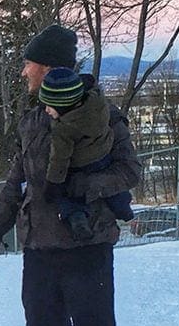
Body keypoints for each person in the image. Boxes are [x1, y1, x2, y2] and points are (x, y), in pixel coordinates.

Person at [0, 24, 142, 326]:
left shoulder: (103, 116)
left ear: (46, 68)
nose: (23, 71)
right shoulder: (31, 123)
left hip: (88, 250)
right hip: (40, 252)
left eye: (28, 64)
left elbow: (129, 171)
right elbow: (15, 185)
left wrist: (84, 188)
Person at [39, 66, 135, 241]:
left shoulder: (63, 129)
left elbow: (59, 160)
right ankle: (123, 207)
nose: (46, 110)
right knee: (113, 190)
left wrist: (53, 184)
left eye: (50, 106)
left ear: (63, 105)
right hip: (103, 156)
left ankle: (78, 221)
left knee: (69, 192)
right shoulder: (99, 105)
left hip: (80, 164)